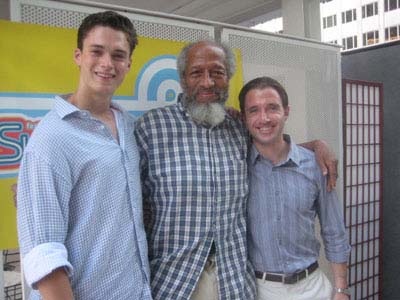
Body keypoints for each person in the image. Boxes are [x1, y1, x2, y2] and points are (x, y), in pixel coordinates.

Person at [134, 40, 338, 300]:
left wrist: (317, 146)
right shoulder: (151, 128)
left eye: (217, 72)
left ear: (228, 78)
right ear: (183, 78)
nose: (208, 82)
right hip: (176, 282)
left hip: (235, 282)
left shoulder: (239, 127)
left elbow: (275, 148)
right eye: (197, 72)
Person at [17, 11, 152, 300]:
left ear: (129, 63)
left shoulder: (128, 127)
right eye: (97, 52)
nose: (107, 64)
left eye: (118, 55)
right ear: (78, 56)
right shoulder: (52, 139)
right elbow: (43, 251)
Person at [240, 77, 351, 300]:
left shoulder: (315, 165)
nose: (264, 118)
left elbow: (334, 229)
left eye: (272, 108)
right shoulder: (237, 168)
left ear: (286, 111)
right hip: (259, 290)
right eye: (254, 110)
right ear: (244, 118)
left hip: (313, 288)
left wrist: (341, 289)